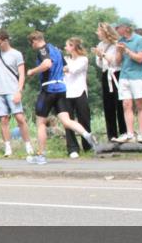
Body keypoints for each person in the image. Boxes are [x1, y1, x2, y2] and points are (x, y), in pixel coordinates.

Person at [25, 31, 97, 165]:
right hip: (62, 89)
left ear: (35, 40)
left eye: (31, 43)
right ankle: (87, 135)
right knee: (66, 120)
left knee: (41, 123)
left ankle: (41, 155)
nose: (31, 46)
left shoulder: (42, 50)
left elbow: (47, 64)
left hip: (48, 89)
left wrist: (32, 71)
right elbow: (65, 67)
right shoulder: (56, 49)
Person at [0, 30, 34, 158]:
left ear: (6, 40)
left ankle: (28, 145)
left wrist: (19, 91)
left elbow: (22, 74)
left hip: (12, 89)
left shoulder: (16, 54)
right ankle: (7, 147)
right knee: (3, 119)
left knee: (19, 118)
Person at [113, 18, 142, 143]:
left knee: (139, 104)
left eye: (118, 27)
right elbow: (117, 62)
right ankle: (129, 133)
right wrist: (119, 51)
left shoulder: (140, 40)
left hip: (138, 76)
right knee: (126, 104)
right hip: (124, 76)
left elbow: (140, 58)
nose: (116, 30)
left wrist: (127, 51)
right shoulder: (120, 41)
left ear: (126, 28)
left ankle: (141, 133)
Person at [93, 22, 125, 142]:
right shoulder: (100, 44)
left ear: (105, 32)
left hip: (117, 74)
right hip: (106, 74)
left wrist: (103, 54)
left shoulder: (116, 44)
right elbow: (99, 63)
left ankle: (124, 132)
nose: (97, 33)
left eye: (99, 31)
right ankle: (111, 135)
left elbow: (116, 62)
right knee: (108, 105)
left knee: (120, 104)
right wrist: (99, 56)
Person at [63, 37, 92, 158]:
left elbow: (73, 70)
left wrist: (64, 68)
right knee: (68, 121)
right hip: (67, 92)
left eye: (67, 45)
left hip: (80, 92)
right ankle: (72, 148)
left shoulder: (83, 59)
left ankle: (88, 146)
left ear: (73, 47)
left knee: (84, 119)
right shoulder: (66, 59)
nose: (65, 48)